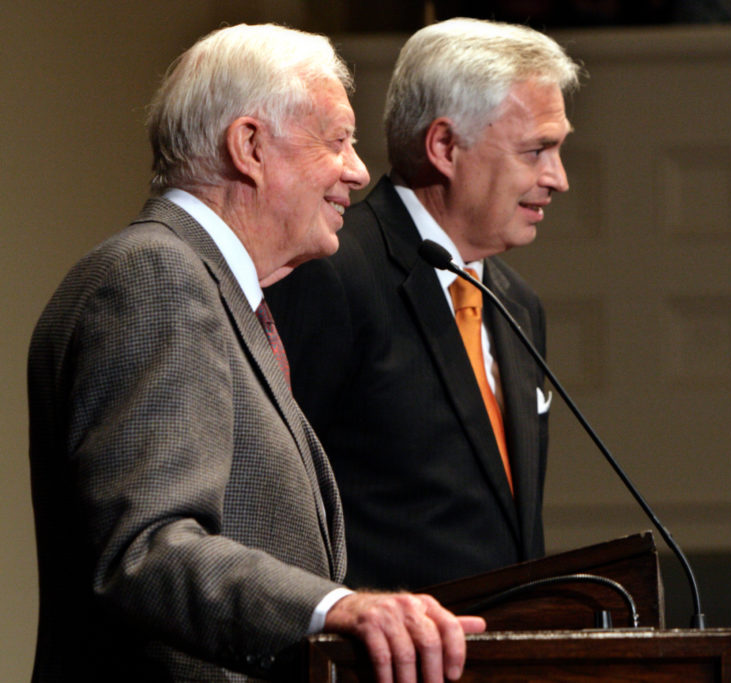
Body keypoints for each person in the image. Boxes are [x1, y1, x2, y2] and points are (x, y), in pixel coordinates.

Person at [27, 23, 483, 683]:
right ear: (249, 145)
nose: (358, 170)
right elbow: (144, 550)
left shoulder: (218, 294)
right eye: (338, 141)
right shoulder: (155, 275)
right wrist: (333, 607)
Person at [265, 18, 582, 590]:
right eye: (536, 150)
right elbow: (275, 501)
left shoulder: (517, 302)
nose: (557, 178)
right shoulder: (333, 274)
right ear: (444, 146)